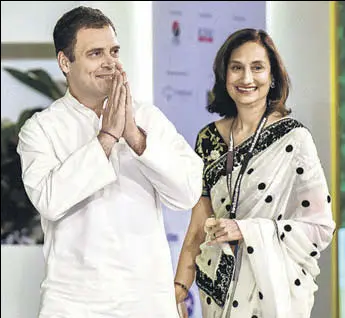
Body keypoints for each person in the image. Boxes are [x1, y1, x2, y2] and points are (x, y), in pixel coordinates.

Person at [17, 6, 203, 318]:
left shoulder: (146, 118)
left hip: (147, 301)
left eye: (114, 51)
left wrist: (135, 138)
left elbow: (187, 193)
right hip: (74, 304)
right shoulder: (40, 129)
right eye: (95, 53)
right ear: (65, 62)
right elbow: (50, 200)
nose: (110, 62)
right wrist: (107, 137)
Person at [174, 28, 336, 318]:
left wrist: (248, 230)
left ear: (273, 76)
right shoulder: (207, 139)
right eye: (237, 68)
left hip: (271, 293)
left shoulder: (294, 139)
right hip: (216, 290)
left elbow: (320, 228)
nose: (246, 78)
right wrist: (179, 288)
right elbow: (198, 224)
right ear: (224, 75)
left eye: (257, 68)